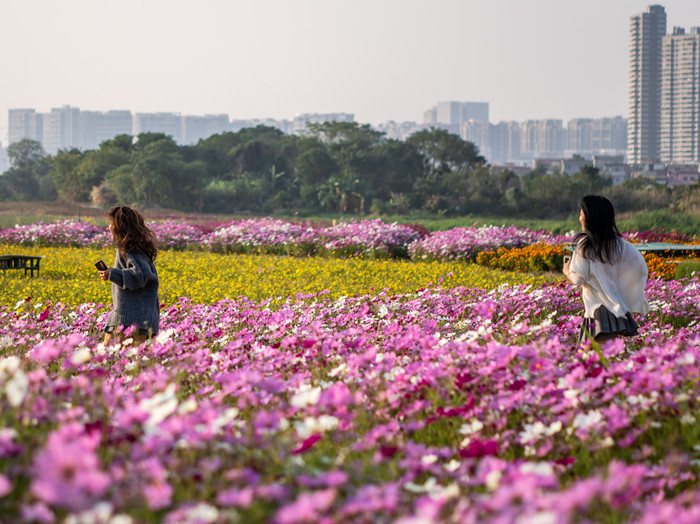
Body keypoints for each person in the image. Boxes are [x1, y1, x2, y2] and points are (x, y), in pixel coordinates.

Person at [563, 195, 649, 344]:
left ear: (590, 217)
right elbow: (640, 267)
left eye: (581, 213)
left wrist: (566, 270)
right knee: (590, 360)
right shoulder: (620, 245)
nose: (579, 218)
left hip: (599, 311)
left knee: (604, 361)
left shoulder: (585, 245)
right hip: (611, 309)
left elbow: (578, 279)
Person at [98, 205, 160, 346]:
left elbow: (140, 276)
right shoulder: (134, 248)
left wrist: (112, 273)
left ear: (120, 226)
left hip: (131, 320)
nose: (109, 227)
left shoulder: (129, 249)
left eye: (111, 223)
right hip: (135, 317)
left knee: (111, 357)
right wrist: (112, 272)